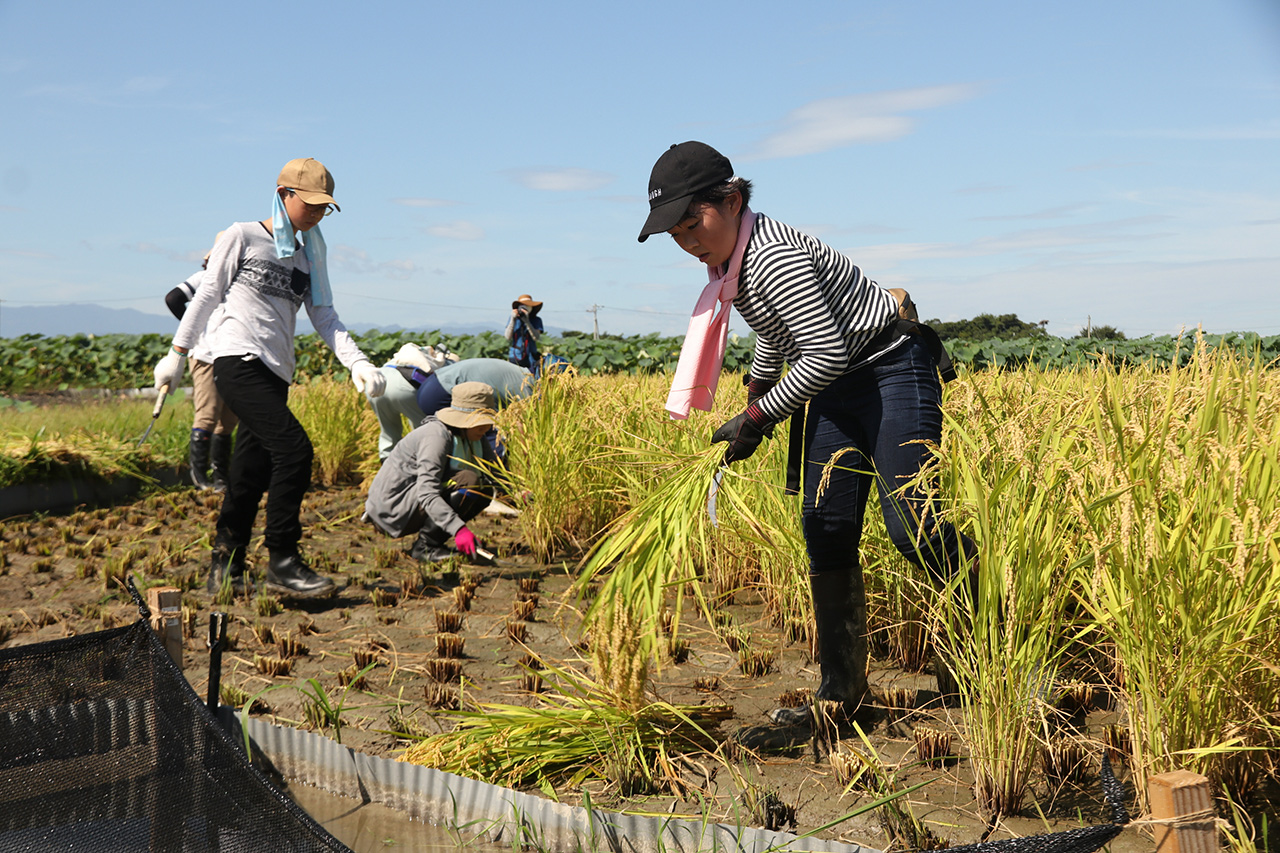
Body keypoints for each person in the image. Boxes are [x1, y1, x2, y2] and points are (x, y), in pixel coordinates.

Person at [638, 141, 975, 735]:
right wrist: (753, 396)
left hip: (889, 371)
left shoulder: (770, 258)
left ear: (733, 200)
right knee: (826, 526)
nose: (688, 239)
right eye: (675, 233)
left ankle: (988, 657)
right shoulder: (730, 268)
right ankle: (841, 693)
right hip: (837, 385)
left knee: (912, 523)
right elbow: (776, 337)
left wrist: (759, 418)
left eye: (695, 222)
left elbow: (824, 352)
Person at [154, 157, 387, 599]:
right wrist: (177, 353)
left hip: (276, 370)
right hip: (237, 359)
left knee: (249, 472)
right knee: (295, 451)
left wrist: (357, 362)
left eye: (325, 207)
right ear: (284, 194)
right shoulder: (242, 236)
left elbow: (324, 314)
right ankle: (282, 558)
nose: (318, 214)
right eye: (311, 204)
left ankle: (226, 564)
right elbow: (206, 294)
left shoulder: (308, 253)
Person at [365, 382, 502, 563]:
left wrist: (520, 494)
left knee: (484, 490)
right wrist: (459, 530)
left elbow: (494, 473)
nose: (486, 428)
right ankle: (426, 547)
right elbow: (427, 493)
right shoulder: (436, 436)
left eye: (487, 423)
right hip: (394, 509)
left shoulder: (476, 434)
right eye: (480, 423)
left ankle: (434, 541)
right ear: (463, 420)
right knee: (470, 480)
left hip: (416, 501)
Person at [164, 232, 238, 492]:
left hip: (232, 355)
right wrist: (194, 329)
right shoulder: (204, 279)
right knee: (207, 415)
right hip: (206, 355)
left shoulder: (238, 283)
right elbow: (173, 299)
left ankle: (221, 477)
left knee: (227, 420)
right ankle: (200, 477)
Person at [368, 342, 456, 461]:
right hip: (403, 387)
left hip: (377, 382)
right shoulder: (448, 365)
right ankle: (424, 466)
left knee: (388, 431)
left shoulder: (411, 355)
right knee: (425, 430)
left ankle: (386, 468)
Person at [504, 294, 543, 374]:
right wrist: (512, 319)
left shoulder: (536, 320)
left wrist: (527, 321)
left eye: (528, 306)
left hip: (531, 356)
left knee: (530, 378)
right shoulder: (514, 319)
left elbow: (536, 337)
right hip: (515, 355)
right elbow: (507, 337)